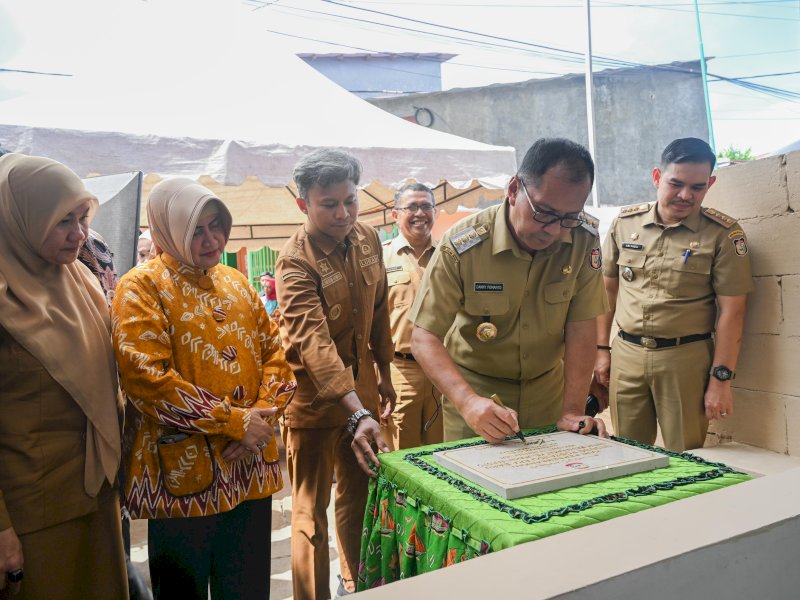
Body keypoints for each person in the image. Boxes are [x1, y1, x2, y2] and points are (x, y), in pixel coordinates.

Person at [112, 178, 297, 600]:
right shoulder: (141, 286)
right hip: (183, 475)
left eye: (216, 225)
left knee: (248, 588)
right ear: (167, 230)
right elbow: (145, 378)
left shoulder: (235, 281)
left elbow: (278, 358)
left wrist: (259, 421)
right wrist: (234, 422)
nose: (212, 239)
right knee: (183, 590)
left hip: (249, 468)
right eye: (197, 229)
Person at [409, 138, 609, 444]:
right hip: (477, 398)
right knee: (474, 489)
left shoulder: (583, 240)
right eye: (544, 213)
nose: (555, 230)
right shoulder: (464, 245)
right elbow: (424, 337)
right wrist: (468, 402)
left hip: (549, 395)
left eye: (569, 218)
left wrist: (572, 410)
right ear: (514, 190)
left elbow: (581, 327)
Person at [0, 153, 128, 598]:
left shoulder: (81, 281)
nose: (79, 234)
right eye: (62, 221)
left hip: (98, 496)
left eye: (83, 217)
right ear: (21, 219)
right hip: (33, 517)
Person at [275, 148, 395, 600]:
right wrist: (355, 410)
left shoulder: (368, 238)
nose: (343, 213)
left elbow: (380, 309)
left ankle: (359, 586)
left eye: (351, 200)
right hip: (313, 405)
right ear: (303, 203)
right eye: (330, 204)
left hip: (363, 395)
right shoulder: (293, 262)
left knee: (361, 498)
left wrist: (383, 374)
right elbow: (313, 344)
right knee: (310, 514)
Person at [594, 137, 753, 452]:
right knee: (626, 452)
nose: (685, 195)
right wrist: (601, 350)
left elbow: (732, 312)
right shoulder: (625, 225)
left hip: (686, 360)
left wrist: (721, 379)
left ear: (710, 183)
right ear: (657, 177)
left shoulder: (723, 234)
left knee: (686, 454)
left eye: (697, 187)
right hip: (626, 355)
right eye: (676, 183)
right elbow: (606, 290)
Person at [382, 183, 443, 449]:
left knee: (441, 450)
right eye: (412, 207)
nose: (420, 213)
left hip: (444, 370)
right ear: (395, 215)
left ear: (435, 211)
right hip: (400, 370)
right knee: (400, 453)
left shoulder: (448, 256)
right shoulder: (380, 257)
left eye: (426, 206)